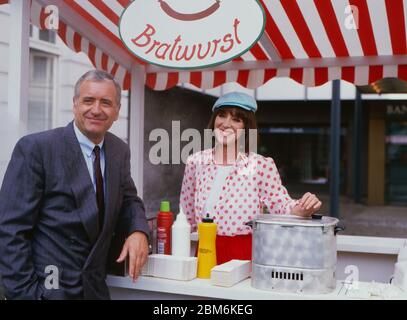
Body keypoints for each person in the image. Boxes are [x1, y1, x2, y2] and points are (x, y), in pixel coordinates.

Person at [0, 70, 149, 300]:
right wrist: (26, 295)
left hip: (95, 291)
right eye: (88, 100)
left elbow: (129, 199)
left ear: (117, 111)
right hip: (47, 291)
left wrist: (138, 230)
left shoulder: (119, 150)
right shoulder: (37, 148)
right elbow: (9, 231)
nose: (96, 110)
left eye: (106, 103)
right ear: (75, 104)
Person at [180, 92, 322, 265]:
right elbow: (185, 217)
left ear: (246, 128)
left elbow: (281, 205)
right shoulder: (196, 162)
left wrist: (304, 207)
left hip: (244, 254)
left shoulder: (261, 166)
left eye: (236, 119)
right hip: (204, 252)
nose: (226, 124)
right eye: (222, 115)